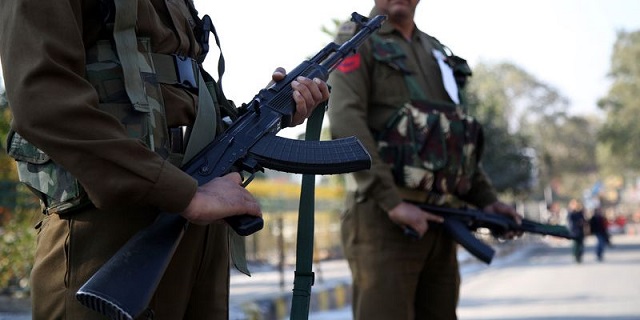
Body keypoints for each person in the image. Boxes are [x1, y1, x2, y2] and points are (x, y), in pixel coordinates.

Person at [0, 1, 329, 319]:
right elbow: (43, 97)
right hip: (110, 227)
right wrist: (183, 193)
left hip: (198, 221)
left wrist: (270, 115)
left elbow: (177, 91)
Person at [327, 1, 522, 319]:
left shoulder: (434, 50)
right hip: (384, 220)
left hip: (441, 220)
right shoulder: (356, 38)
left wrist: (486, 200)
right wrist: (392, 202)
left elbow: (452, 137)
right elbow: (345, 121)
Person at [567, 199, 587, 263]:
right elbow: (570, 222)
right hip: (574, 231)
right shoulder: (571, 213)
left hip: (581, 231)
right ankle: (576, 256)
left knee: (581, 245)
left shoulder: (580, 212)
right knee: (576, 245)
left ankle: (580, 256)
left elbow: (584, 220)